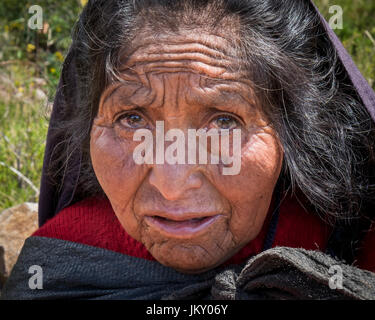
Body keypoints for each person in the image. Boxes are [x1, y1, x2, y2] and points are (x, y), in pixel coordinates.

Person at [2, 0, 375, 299]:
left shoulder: (353, 246)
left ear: (294, 133)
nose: (172, 185)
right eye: (132, 119)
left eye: (225, 121)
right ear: (87, 129)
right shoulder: (59, 269)